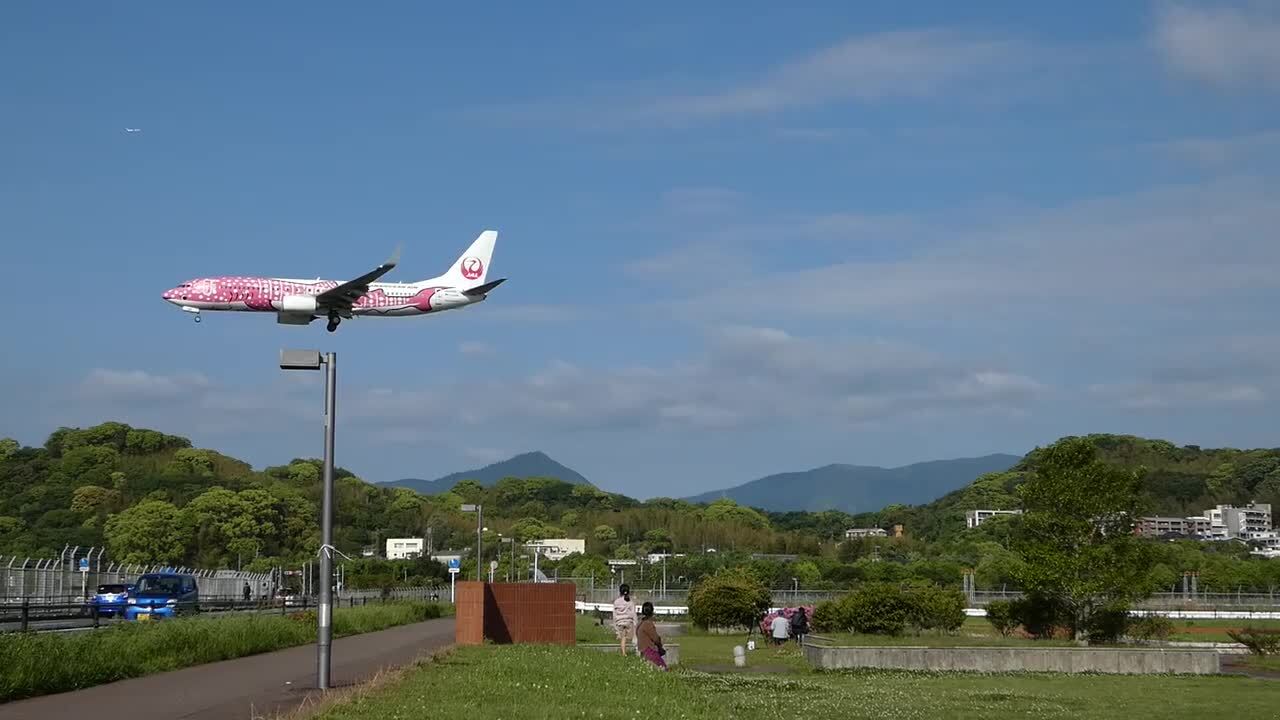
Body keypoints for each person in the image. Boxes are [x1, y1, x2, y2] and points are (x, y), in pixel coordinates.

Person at [635, 601, 667, 670]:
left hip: (643, 652)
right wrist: (660, 647)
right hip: (650, 652)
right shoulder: (648, 624)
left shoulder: (640, 623)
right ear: (652, 612)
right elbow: (656, 639)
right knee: (664, 669)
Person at [612, 583, 637, 655]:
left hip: (619, 622)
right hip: (628, 622)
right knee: (625, 637)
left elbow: (614, 613)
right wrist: (635, 622)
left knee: (623, 637)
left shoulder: (616, 602)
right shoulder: (630, 602)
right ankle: (624, 653)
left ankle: (624, 652)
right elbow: (633, 613)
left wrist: (615, 624)